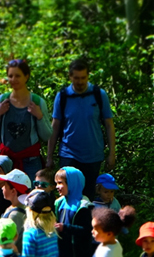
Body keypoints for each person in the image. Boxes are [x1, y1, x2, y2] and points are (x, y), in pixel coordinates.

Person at [46, 57, 115, 197]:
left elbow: (109, 125)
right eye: (76, 78)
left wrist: (112, 154)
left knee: (89, 194)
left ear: (88, 76)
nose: (80, 82)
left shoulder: (98, 95)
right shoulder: (63, 96)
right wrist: (49, 156)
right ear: (70, 76)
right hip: (68, 153)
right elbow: (55, 126)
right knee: (67, 193)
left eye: (83, 77)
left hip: (93, 155)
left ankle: (85, 219)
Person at [0, 58, 52, 180]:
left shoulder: (37, 102)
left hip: (31, 162)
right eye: (10, 76)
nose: (13, 80)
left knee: (31, 197)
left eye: (17, 76)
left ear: (26, 76)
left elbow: (46, 135)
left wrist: (39, 117)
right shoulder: (1, 101)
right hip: (6, 161)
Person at [0, 168, 33, 245]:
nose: (2, 188)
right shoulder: (14, 207)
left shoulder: (15, 216)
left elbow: (7, 242)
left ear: (13, 191)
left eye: (5, 185)